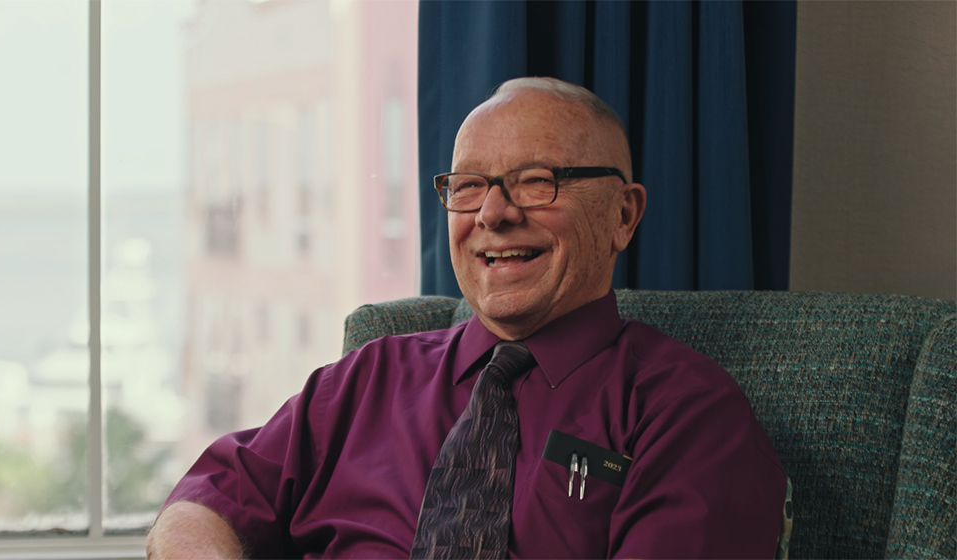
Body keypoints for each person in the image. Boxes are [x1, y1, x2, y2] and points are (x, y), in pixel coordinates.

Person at [146, 77, 786, 559]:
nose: (493, 214)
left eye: (537, 181)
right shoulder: (367, 378)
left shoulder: (688, 414)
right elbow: (207, 501)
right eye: (469, 185)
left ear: (623, 214)